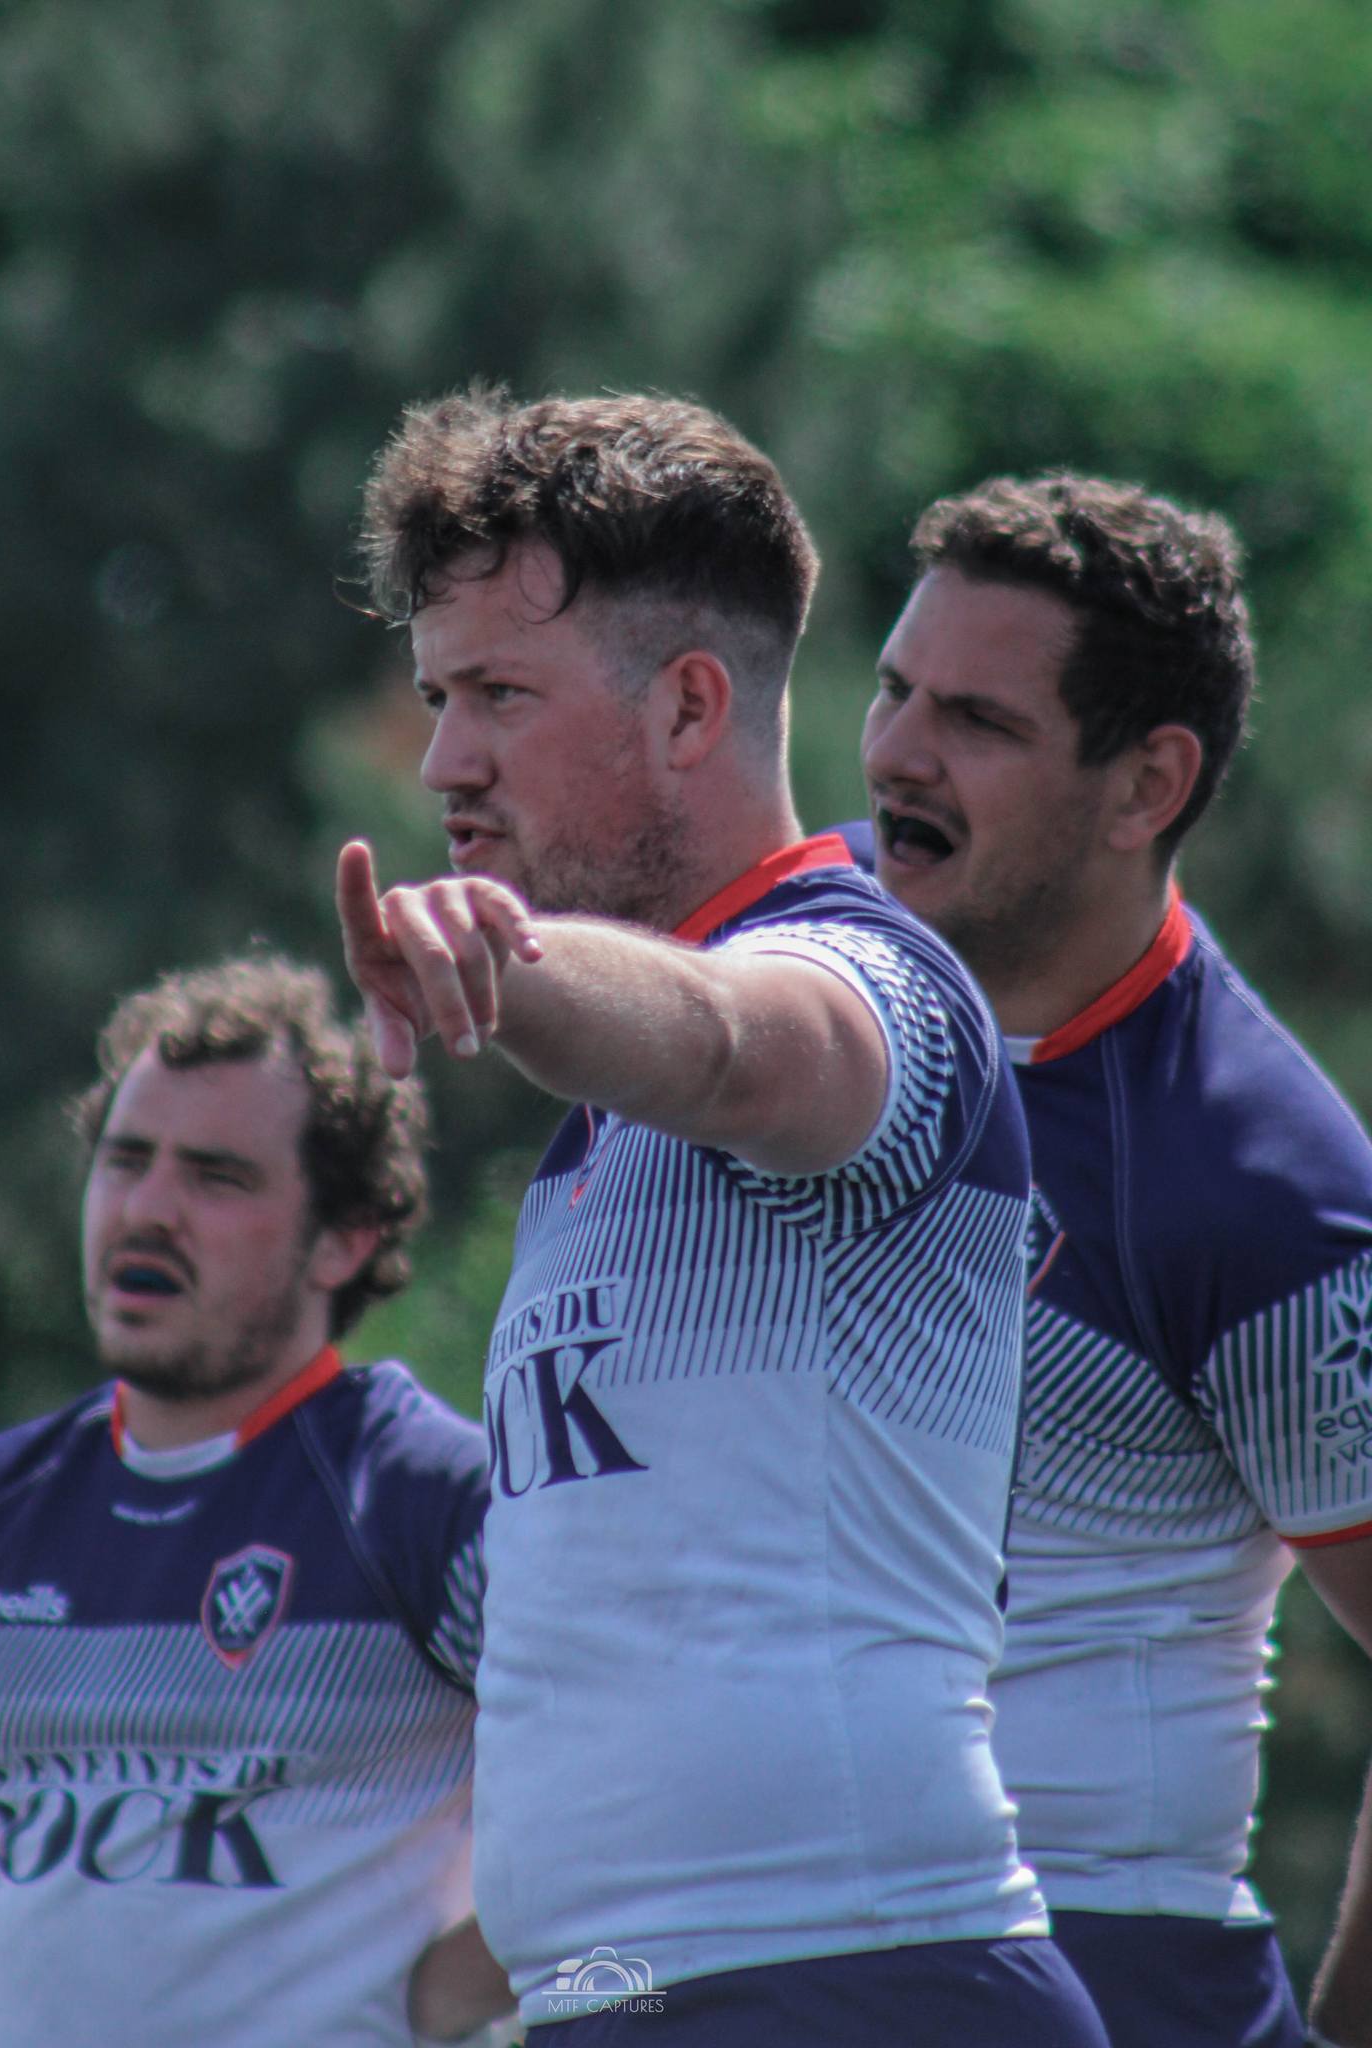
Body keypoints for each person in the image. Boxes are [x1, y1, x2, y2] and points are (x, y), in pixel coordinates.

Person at [335, 386, 1111, 2046]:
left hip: (866, 1989)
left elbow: (738, 1044)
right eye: (436, 697)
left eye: (498, 694)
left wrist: (514, 966)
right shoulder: (591, 1150)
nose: (447, 760)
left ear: (691, 704)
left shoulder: (878, 975)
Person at [856, 472, 1372, 2048]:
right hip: (765, 1938)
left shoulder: (1260, 1184)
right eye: (892, 688)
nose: (896, 753)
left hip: (1101, 1967)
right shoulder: (802, 960)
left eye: (976, 722)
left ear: (1148, 782)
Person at [0, 953, 511, 2048]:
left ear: (346, 1237)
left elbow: (650, 1796)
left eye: (217, 1176)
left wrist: (454, 1987)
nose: (147, 1210)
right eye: (125, 1159)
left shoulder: (437, 1501)